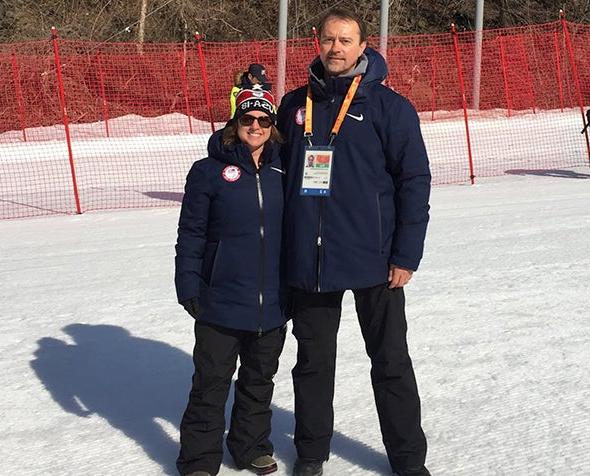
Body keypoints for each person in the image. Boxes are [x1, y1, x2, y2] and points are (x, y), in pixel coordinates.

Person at [277, 8, 431, 476]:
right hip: (311, 261)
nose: (336, 48)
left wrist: (406, 253)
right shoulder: (292, 105)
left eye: (346, 40)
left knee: (390, 363)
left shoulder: (390, 108)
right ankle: (310, 455)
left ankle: (407, 461)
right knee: (312, 365)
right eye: (329, 39)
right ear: (316, 42)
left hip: (376, 260)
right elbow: (264, 165)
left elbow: (414, 182)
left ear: (364, 46)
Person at [175, 86, 287, 476]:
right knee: (210, 383)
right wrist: (188, 285)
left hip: (272, 300)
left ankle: (251, 445)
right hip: (220, 298)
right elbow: (190, 233)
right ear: (235, 122)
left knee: (259, 381)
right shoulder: (208, 171)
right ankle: (199, 459)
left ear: (273, 126)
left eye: (263, 120)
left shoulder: (283, 169)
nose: (255, 126)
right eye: (247, 119)